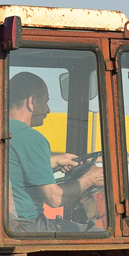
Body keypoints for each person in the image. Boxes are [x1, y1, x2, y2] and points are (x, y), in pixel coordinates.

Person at [6, 72, 104, 231]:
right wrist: (90, 179)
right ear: (31, 102)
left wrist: (52, 161)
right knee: (98, 235)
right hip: (27, 227)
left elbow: (11, 168)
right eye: (46, 102)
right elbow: (55, 198)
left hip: (7, 224)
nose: (48, 110)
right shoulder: (31, 138)